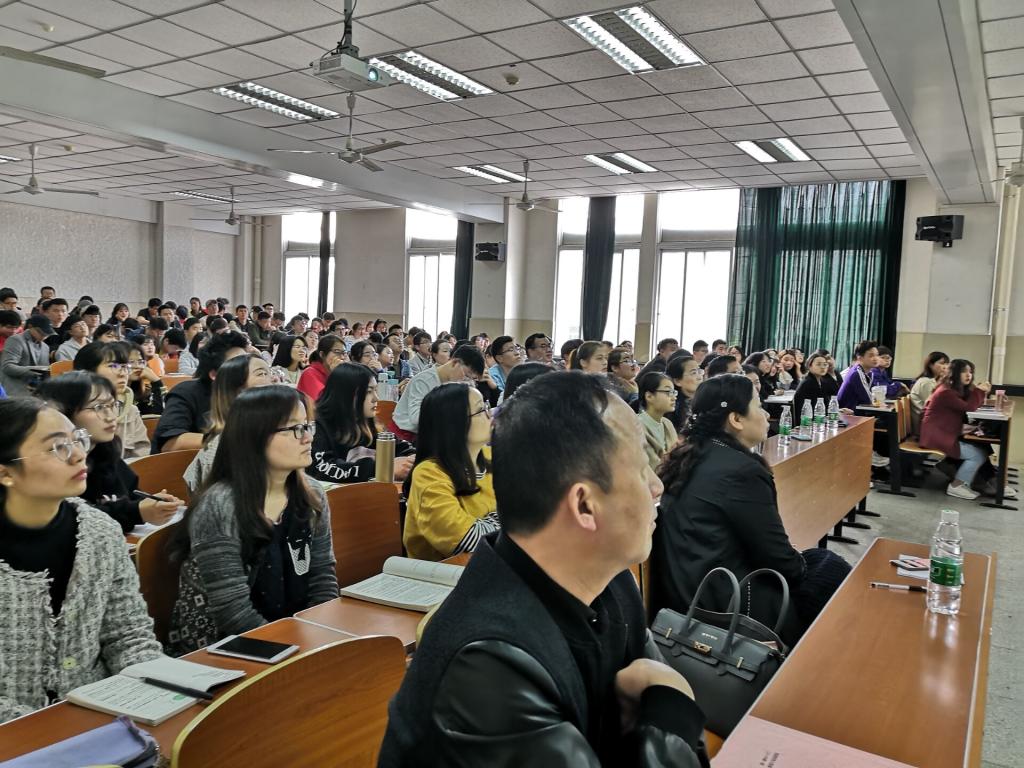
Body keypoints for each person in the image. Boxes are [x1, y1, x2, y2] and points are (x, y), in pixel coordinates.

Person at [381, 372, 709, 766]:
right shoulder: (488, 665)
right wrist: (671, 707)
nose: (657, 487)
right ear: (584, 505)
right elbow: (659, 696)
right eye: (641, 470)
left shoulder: (611, 580)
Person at [651, 374, 850, 647]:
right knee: (830, 570)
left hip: (690, 589)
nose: (766, 414)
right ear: (736, 419)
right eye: (758, 406)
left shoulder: (689, 454)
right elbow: (780, 560)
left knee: (818, 561)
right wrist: (799, 564)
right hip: (725, 603)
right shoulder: (741, 470)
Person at [0, 398, 163, 723]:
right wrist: (51, 731)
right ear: (6, 473)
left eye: (78, 440)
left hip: (99, 716)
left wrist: (154, 695)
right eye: (57, 447)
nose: (78, 455)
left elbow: (129, 635)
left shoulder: (100, 531)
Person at [168, 386, 339, 654]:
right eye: (295, 429)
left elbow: (322, 575)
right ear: (256, 437)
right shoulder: (220, 505)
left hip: (294, 637)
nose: (308, 438)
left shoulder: (312, 494)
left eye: (308, 426)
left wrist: (319, 633)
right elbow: (232, 612)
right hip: (219, 650)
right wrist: (294, 652)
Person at [37, 372, 182, 532]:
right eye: (98, 407)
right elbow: (68, 519)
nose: (111, 416)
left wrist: (153, 503)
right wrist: (136, 512)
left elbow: (129, 494)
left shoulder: (104, 450)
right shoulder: (53, 465)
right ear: (62, 415)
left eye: (112, 405)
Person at [403, 383, 498, 561]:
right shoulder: (429, 474)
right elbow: (468, 541)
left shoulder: (493, 456)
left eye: (487, 406)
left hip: (490, 564)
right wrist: (511, 519)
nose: (490, 414)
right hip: (439, 572)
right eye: (481, 410)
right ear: (454, 424)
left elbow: (534, 507)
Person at [307, 363, 415, 484]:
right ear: (346, 394)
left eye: (375, 390)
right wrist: (383, 467)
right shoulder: (319, 426)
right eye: (369, 392)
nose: (376, 398)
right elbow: (323, 469)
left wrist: (411, 460)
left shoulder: (367, 422)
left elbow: (402, 448)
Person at [919, 359, 1010, 500]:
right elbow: (969, 407)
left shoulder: (951, 388)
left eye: (971, 372)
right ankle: (957, 486)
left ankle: (992, 481)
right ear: (954, 373)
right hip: (936, 435)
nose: (969, 375)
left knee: (981, 444)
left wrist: (978, 390)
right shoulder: (946, 392)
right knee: (977, 455)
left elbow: (969, 403)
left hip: (943, 431)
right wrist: (980, 391)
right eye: (964, 371)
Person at [184, 354, 273, 495]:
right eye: (261, 373)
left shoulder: (274, 431)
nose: (274, 379)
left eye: (270, 373)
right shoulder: (222, 447)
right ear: (237, 390)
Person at [152, 331, 249, 453]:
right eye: (238, 364)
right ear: (214, 374)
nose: (247, 369)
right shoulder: (186, 393)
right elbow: (170, 443)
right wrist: (230, 441)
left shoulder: (252, 395)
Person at [390, 345, 485, 441]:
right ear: (455, 363)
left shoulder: (454, 384)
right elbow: (416, 418)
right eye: (467, 376)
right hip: (406, 435)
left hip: (431, 434)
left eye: (472, 379)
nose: (467, 381)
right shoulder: (424, 380)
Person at [73, 341, 150, 458]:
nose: (123, 373)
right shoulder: (70, 409)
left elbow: (141, 456)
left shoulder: (130, 410)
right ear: (88, 371)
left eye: (125, 367)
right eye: (114, 366)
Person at [0, 315, 54, 397]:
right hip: (13, 390)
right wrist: (36, 369)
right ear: (30, 327)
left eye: (47, 334)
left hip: (35, 393)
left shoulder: (45, 347)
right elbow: (7, 367)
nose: (44, 335)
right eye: (40, 332)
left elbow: (44, 371)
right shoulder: (16, 340)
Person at [638, 372, 678, 472]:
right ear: (649, 396)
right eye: (668, 392)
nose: (674, 397)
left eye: (674, 392)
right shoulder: (637, 425)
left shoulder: (667, 423)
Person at [792, 350, 842, 421]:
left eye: (825, 364)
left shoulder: (822, 382)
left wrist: (837, 410)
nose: (822, 367)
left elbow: (825, 404)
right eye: (818, 364)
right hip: (806, 422)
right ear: (809, 366)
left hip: (818, 419)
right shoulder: (808, 382)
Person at [297, 334, 347, 402]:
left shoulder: (341, 372)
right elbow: (324, 402)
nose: (342, 357)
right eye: (337, 352)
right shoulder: (309, 373)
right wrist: (335, 375)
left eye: (344, 353)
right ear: (322, 354)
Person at [909, 351, 949, 435]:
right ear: (930, 365)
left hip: (929, 423)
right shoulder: (926, 382)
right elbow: (934, 407)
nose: (945, 367)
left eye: (947, 364)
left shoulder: (934, 381)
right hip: (924, 427)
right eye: (942, 363)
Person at [837, 340, 880, 410]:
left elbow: (874, 397)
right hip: (847, 413)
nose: (875, 358)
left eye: (877, 355)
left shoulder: (870, 373)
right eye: (871, 355)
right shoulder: (856, 373)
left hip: (858, 410)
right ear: (859, 357)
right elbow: (868, 400)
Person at [126, 341, 165, 416]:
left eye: (140, 361)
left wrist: (156, 381)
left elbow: (156, 414)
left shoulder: (141, 393)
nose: (137, 366)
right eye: (131, 362)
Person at [666, 354, 701, 435]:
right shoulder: (671, 407)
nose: (699, 377)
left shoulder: (706, 400)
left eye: (699, 371)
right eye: (694, 373)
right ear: (677, 381)